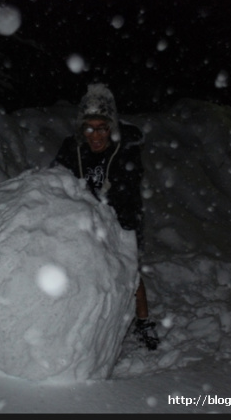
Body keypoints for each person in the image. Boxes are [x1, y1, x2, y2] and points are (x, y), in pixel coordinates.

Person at [51, 83, 159, 350]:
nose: (95, 135)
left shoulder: (125, 150)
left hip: (120, 219)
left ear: (111, 127)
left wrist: (103, 211)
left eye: (101, 127)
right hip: (83, 220)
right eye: (89, 128)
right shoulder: (73, 148)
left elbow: (126, 191)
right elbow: (54, 178)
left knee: (129, 269)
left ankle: (143, 322)